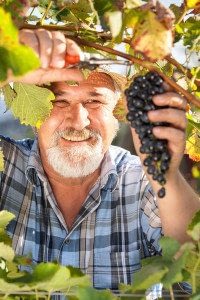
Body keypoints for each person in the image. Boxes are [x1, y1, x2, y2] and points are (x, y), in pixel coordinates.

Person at [0, 29, 199, 294]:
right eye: (60, 101)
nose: (78, 121)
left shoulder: (142, 185)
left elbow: (193, 263)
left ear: (116, 114)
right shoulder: (6, 165)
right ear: (35, 110)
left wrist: (168, 179)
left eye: (94, 101)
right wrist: (7, 63)